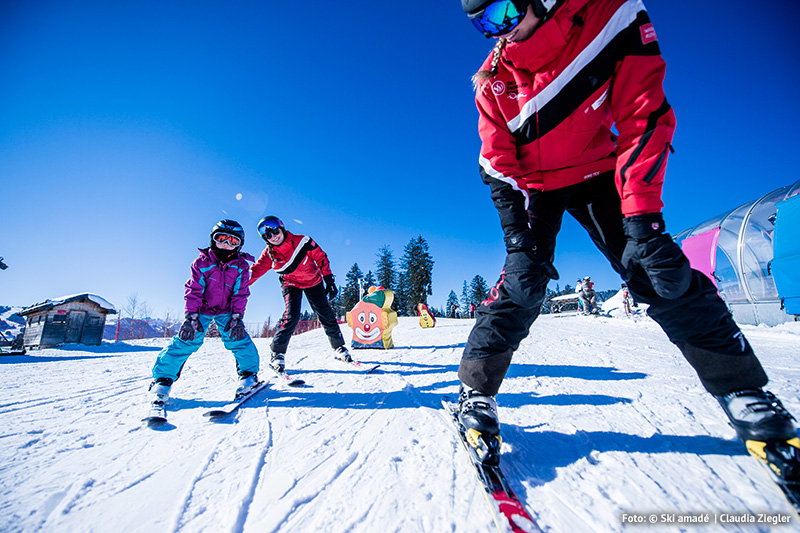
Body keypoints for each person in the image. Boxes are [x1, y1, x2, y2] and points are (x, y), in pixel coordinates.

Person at [456, 0, 796, 463]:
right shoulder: (495, 83)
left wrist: (643, 220)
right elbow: (498, 164)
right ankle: (477, 391)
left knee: (657, 271)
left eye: (504, 11)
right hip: (537, 187)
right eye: (484, 24)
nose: (501, 31)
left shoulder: (608, 19)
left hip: (599, 174)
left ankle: (742, 392)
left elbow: (643, 116)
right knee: (524, 281)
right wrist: (519, 242)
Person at [149, 220, 260, 407]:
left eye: (233, 241)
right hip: (202, 308)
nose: (226, 244)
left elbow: (240, 292)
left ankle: (249, 375)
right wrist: (191, 316)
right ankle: (163, 379)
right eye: (222, 239)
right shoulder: (201, 262)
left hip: (227, 310)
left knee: (237, 338)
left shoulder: (241, 265)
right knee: (187, 339)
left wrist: (237, 317)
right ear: (212, 239)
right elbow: (194, 290)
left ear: (240, 244)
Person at [250, 216, 351, 373]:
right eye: (268, 236)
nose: (273, 237)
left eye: (275, 231)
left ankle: (338, 348)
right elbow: (254, 272)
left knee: (325, 313)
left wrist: (329, 279)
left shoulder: (302, 241)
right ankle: (277, 353)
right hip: (290, 283)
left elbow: (321, 257)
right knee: (292, 315)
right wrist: (234, 286)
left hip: (313, 281)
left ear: (282, 229)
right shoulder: (269, 255)